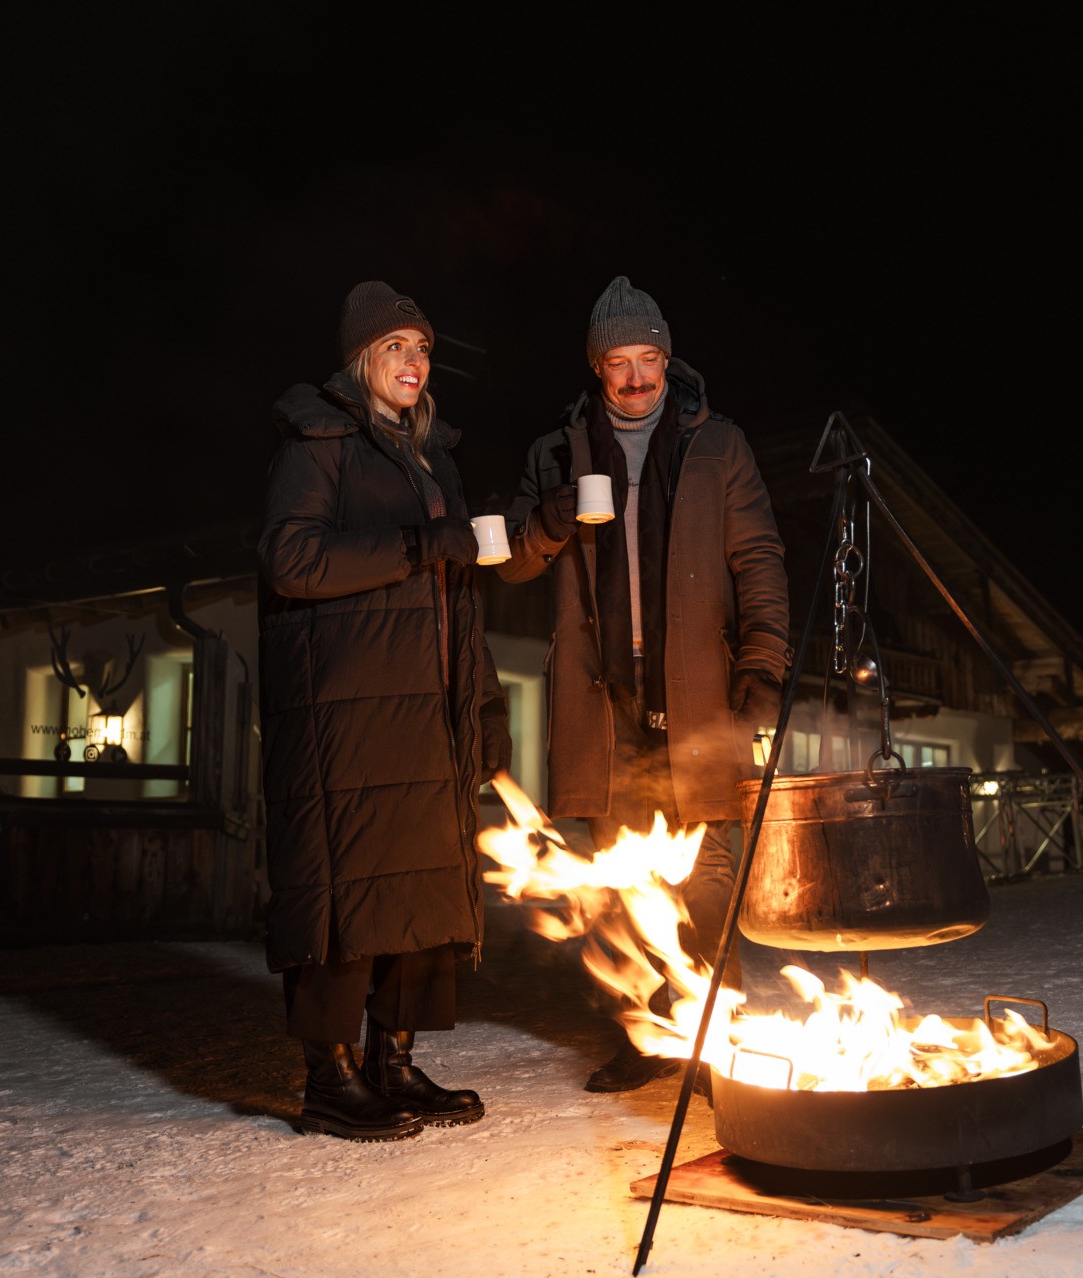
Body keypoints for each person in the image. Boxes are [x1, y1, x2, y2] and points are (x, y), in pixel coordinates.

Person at [497, 275, 791, 1093]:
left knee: (706, 873)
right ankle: (648, 1033)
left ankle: (717, 1038)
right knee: (623, 873)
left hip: (699, 694)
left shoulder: (716, 443)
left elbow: (758, 561)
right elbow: (512, 560)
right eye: (618, 362)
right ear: (597, 368)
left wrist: (762, 665)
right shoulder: (558, 452)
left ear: (667, 360)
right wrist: (550, 519)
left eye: (647, 359)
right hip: (603, 696)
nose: (635, 377)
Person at [257, 280, 512, 1141]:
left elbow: (457, 602)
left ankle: (393, 1061)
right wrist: (414, 544)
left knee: (425, 887)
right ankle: (329, 1077)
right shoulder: (319, 441)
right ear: (361, 357)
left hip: (431, 708)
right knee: (348, 887)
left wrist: (483, 706)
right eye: (395, 346)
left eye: (423, 347)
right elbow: (291, 559)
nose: (413, 361)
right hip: (346, 712)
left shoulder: (433, 460)